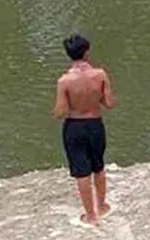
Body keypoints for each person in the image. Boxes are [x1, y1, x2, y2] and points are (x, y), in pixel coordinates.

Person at [52, 33, 116, 226]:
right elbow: (109, 103)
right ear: (87, 51)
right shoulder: (100, 75)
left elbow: (60, 111)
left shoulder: (64, 81)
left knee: (81, 171)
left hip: (74, 126)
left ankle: (90, 215)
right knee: (98, 166)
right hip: (95, 124)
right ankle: (102, 205)